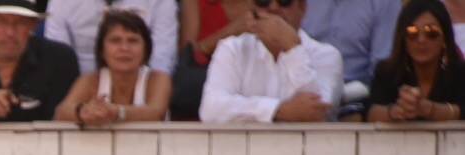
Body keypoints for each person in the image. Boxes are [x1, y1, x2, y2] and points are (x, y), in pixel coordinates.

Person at [197, 0, 342, 122]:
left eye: (284, 1)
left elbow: (317, 113)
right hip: (243, 152)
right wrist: (279, 109)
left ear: (302, 8)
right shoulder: (232, 48)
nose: (273, 7)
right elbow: (210, 110)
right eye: (264, 0)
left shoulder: (326, 55)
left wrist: (292, 49)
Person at [55, 9, 172, 123]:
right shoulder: (90, 80)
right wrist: (83, 111)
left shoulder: (158, 78)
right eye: (115, 41)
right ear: (102, 50)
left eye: (132, 41)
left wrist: (117, 112)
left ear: (146, 49)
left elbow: (156, 113)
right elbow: (61, 113)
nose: (124, 48)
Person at [367, 0, 465, 122]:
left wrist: (430, 109)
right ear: (403, 38)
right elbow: (371, 112)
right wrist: (396, 111)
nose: (421, 40)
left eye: (431, 32)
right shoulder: (387, 71)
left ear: (445, 39)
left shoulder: (460, 73)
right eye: (412, 32)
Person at [44, 0, 177, 74]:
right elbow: (58, 61)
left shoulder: (162, 2)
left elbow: (161, 62)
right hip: (81, 93)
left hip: (145, 90)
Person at [171, 0, 250, 119]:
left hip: (255, 94)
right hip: (200, 97)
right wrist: (230, 32)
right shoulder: (195, 3)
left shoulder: (273, 5)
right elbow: (186, 53)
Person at [300, 0, 402, 90]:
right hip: (298, 85)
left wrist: (340, 96)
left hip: (356, 95)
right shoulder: (296, 3)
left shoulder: (385, 2)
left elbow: (381, 71)